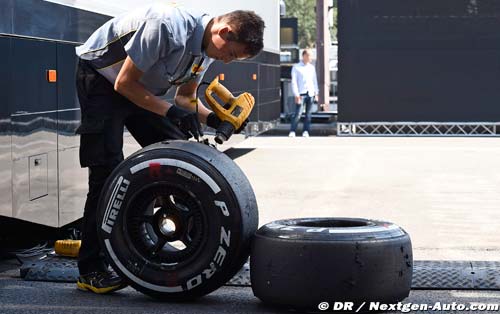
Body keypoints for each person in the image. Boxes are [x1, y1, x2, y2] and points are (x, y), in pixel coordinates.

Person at [74, 3, 265, 294]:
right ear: (224, 32)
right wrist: (170, 112)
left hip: (142, 92)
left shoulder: (206, 50)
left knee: (180, 155)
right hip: (103, 81)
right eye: (230, 54)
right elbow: (124, 84)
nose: (227, 61)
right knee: (106, 175)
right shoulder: (166, 25)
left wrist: (214, 118)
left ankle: (167, 231)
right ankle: (90, 270)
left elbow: (185, 100)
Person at [289, 49, 319, 137]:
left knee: (308, 114)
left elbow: (314, 81)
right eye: (309, 55)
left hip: (311, 93)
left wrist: (316, 93)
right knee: (298, 113)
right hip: (301, 94)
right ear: (304, 56)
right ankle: (292, 131)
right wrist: (296, 94)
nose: (311, 57)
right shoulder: (296, 67)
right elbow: (294, 82)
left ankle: (306, 131)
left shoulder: (311, 68)